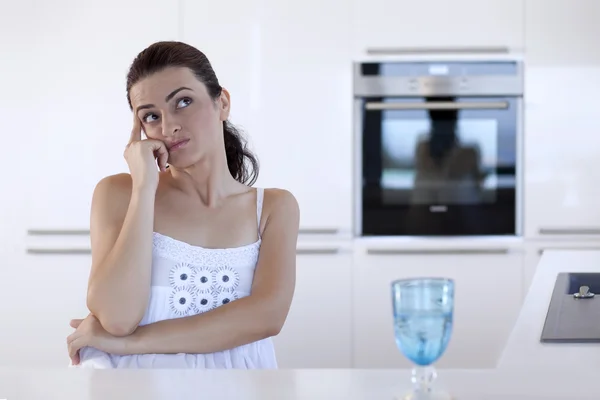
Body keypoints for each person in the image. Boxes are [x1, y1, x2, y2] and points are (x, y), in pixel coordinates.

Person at [65, 41, 300, 369]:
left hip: (240, 385)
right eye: (151, 115)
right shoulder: (119, 192)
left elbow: (266, 317)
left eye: (183, 102)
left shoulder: (273, 208)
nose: (167, 126)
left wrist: (130, 343)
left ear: (223, 103)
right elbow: (117, 318)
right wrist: (145, 188)